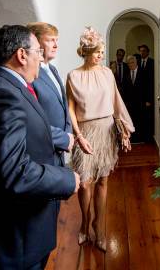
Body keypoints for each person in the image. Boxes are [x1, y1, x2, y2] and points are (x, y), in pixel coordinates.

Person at [0, 25, 80, 270]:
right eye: (37, 51)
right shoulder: (0, 94)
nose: (40, 58)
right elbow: (15, 172)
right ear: (21, 55)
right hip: (12, 238)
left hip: (24, 233)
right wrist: (67, 179)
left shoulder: (8, 87)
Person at [66, 27, 134, 253]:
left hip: (106, 132)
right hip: (85, 132)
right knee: (85, 183)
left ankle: (99, 227)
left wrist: (124, 130)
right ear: (86, 51)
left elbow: (116, 102)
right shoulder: (73, 76)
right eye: (98, 51)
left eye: (102, 51)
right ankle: (85, 223)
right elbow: (71, 110)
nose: (101, 55)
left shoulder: (107, 73)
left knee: (103, 181)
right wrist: (78, 135)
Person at [27, 22, 92, 163]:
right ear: (36, 43)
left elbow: (64, 107)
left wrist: (68, 134)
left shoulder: (53, 70)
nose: (56, 45)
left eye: (57, 40)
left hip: (60, 147)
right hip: (43, 149)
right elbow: (32, 119)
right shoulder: (29, 74)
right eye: (50, 40)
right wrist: (62, 139)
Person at [122, 55, 148, 144]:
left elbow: (148, 88)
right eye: (128, 63)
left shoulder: (143, 72)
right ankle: (133, 139)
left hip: (141, 102)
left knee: (140, 120)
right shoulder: (126, 74)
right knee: (131, 120)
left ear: (136, 62)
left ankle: (140, 138)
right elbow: (123, 89)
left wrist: (148, 100)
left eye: (132, 62)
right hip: (129, 103)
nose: (130, 65)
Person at [137, 44, 155, 140]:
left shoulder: (153, 62)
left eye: (144, 51)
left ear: (148, 52)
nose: (142, 52)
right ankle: (142, 136)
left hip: (149, 95)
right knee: (141, 118)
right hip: (140, 95)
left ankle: (149, 137)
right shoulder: (138, 62)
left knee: (149, 117)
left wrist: (149, 99)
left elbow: (152, 82)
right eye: (140, 51)